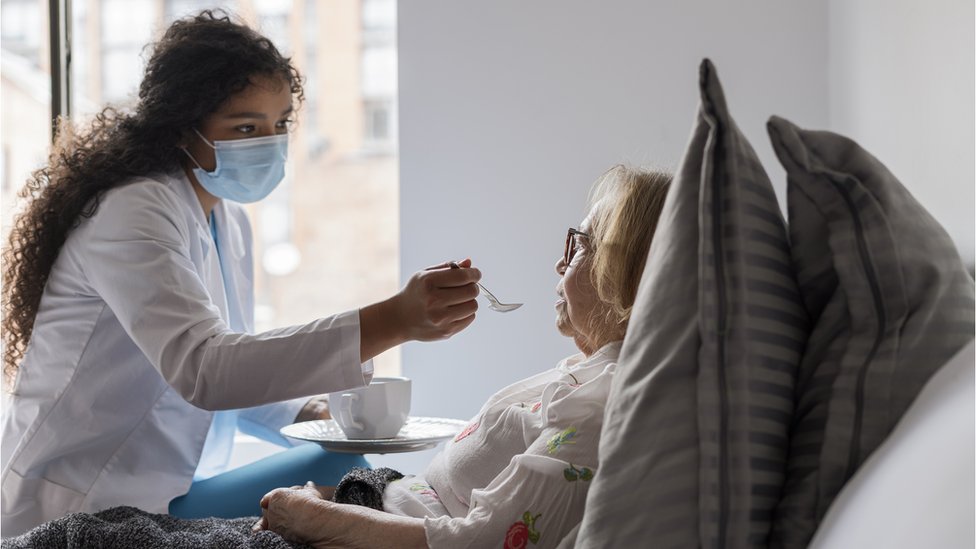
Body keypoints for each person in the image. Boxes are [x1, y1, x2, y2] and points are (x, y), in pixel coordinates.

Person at [0, 10, 482, 536]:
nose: (269, 143)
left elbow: (235, 364)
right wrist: (394, 319)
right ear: (184, 128)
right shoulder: (132, 209)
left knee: (345, 479)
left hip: (162, 489)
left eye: (280, 125)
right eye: (246, 127)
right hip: (84, 503)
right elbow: (206, 370)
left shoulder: (224, 219)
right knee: (345, 490)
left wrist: (309, 411)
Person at [254, 165, 672, 548]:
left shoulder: (596, 407)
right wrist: (329, 503)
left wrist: (316, 518)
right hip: (373, 500)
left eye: (578, 244)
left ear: (627, 273)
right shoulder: (584, 375)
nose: (559, 264)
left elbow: (479, 542)